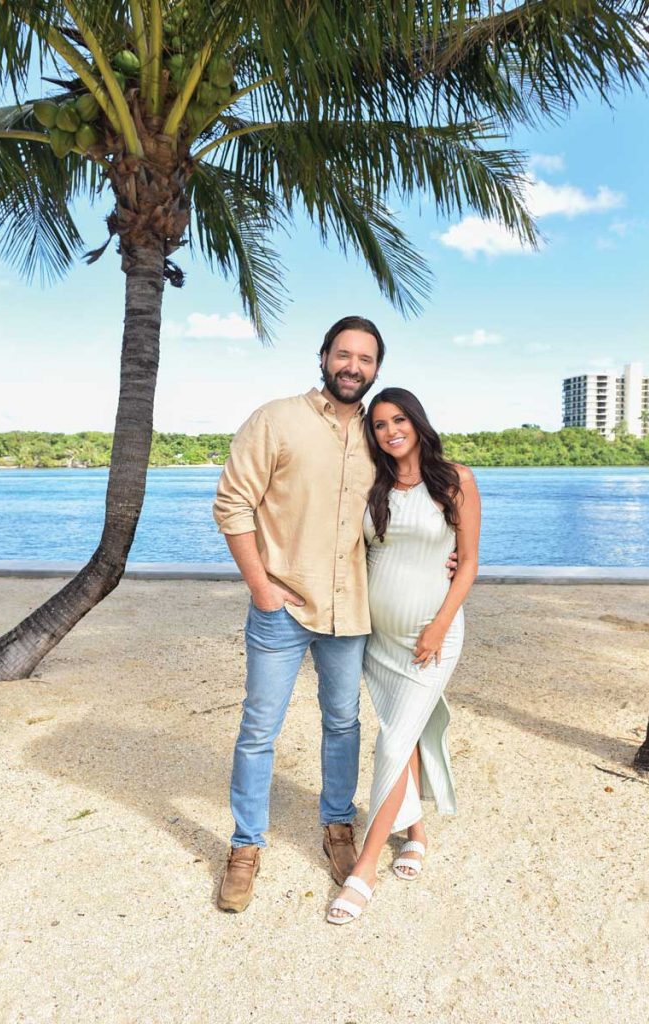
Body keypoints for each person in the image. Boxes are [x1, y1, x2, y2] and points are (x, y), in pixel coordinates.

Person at [212, 316, 384, 912]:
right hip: (281, 606)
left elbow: (415, 500)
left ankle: (338, 826)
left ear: (376, 370)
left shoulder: (379, 435)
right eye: (344, 354)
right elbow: (232, 504)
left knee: (343, 724)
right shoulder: (276, 419)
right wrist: (260, 585)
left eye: (365, 359)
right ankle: (244, 846)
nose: (353, 367)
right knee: (260, 730)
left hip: (351, 612)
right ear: (323, 356)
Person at [327, 388, 480, 925]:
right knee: (406, 732)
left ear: (416, 422)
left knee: (392, 741)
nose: (391, 430)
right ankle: (415, 833)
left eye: (399, 420)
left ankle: (365, 868)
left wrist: (438, 626)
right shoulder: (376, 486)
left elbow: (467, 566)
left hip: (430, 637)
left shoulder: (455, 479)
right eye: (381, 425)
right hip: (378, 639)